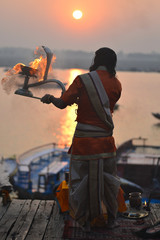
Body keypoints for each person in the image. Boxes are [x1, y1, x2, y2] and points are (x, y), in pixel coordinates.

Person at [41, 47, 122, 231]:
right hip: (106, 143)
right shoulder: (117, 84)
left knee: (80, 181)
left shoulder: (82, 80)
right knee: (108, 181)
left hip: (84, 143)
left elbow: (62, 103)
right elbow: (105, 108)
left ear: (96, 60)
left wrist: (50, 99)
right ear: (112, 63)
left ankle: (85, 222)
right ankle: (110, 220)